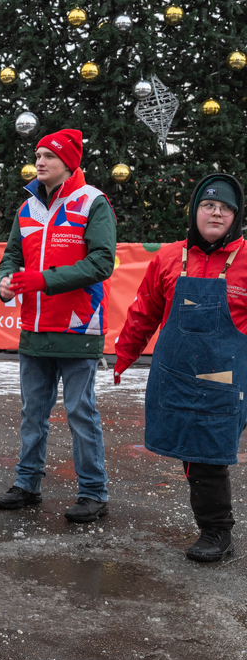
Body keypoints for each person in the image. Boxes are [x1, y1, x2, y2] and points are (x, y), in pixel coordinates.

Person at [115, 174, 246, 562]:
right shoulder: (170, 257)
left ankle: (217, 530)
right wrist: (125, 355)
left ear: (235, 217)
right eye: (209, 206)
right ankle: (216, 532)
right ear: (195, 212)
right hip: (180, 375)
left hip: (229, 376)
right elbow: (145, 311)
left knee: (210, 453)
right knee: (198, 456)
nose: (216, 213)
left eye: (225, 208)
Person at [0, 128, 117, 523]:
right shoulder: (27, 208)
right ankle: (27, 483)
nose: (40, 161)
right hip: (34, 327)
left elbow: (101, 263)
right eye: (38, 154)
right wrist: (6, 281)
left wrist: (42, 279)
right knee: (33, 412)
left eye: (48, 155)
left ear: (69, 162)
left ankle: (94, 493)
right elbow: (11, 256)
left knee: (80, 412)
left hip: (79, 327)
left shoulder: (92, 201)